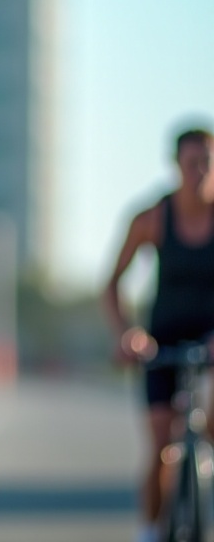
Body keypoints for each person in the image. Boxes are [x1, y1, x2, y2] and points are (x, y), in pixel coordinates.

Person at [102, 125, 214, 542]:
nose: (200, 171)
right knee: (161, 445)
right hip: (162, 343)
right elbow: (113, 284)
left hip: (210, 342)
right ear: (176, 167)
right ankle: (150, 530)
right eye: (191, 164)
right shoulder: (151, 218)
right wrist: (127, 334)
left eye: (207, 162)